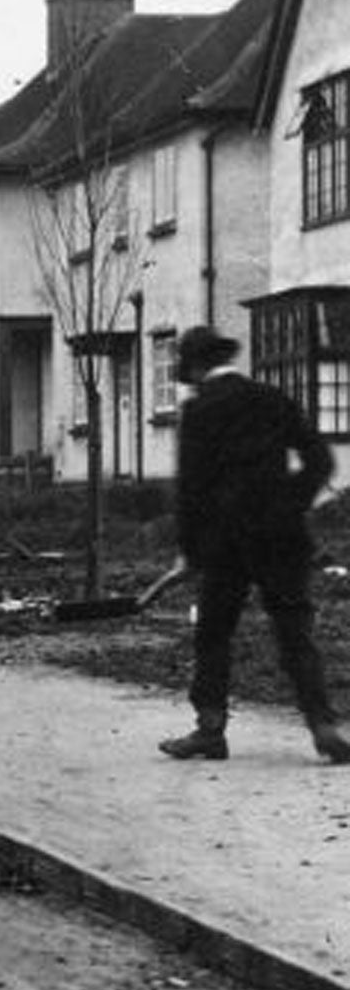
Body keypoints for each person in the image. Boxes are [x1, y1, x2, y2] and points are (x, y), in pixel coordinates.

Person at [161, 325, 348, 764]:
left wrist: (189, 551)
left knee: (213, 633)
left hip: (225, 545)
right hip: (282, 539)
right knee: (295, 632)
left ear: (195, 367)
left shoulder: (200, 411)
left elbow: (191, 490)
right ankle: (323, 725)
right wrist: (290, 503)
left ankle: (210, 730)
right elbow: (321, 460)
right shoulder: (272, 398)